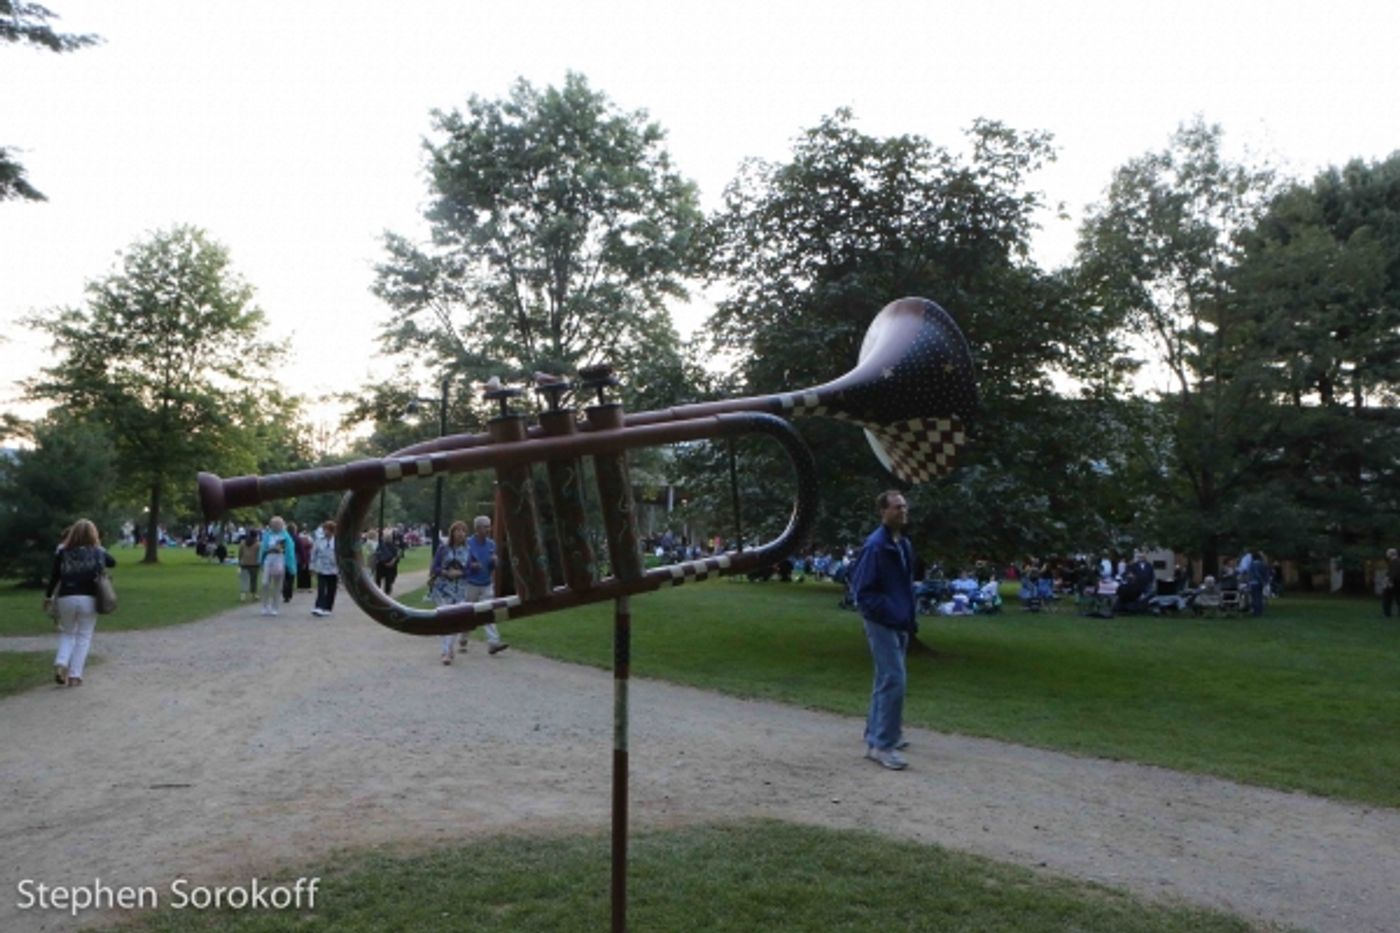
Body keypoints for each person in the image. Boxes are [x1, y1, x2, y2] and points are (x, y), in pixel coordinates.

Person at [849, 490, 917, 771]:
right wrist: (889, 613)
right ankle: (882, 746)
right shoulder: (876, 546)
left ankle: (878, 734)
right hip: (882, 621)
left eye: (904, 507)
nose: (902, 511)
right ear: (883, 512)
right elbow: (862, 592)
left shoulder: (902, 544)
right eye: (896, 507)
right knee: (894, 679)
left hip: (898, 620)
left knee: (885, 679)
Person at [43, 519, 117, 687]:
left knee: (68, 633)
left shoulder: (62, 552)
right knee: (84, 636)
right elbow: (113, 562)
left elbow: (55, 577)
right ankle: (75, 675)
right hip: (89, 598)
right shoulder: (98, 551)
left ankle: (61, 663)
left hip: (66, 597)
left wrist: (48, 597)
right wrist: (99, 547)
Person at [457, 515, 509, 656]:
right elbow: (459, 563)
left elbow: (492, 566)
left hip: (486, 583)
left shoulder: (491, 544)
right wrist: (471, 565)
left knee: (488, 612)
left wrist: (494, 561)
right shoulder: (467, 543)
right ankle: (463, 638)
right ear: (478, 528)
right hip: (470, 584)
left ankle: (493, 643)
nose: (489, 529)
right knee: (467, 613)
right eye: (486, 526)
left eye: (489, 526)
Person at [258, 517, 296, 616]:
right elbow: (263, 548)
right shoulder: (267, 535)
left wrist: (290, 565)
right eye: (273, 525)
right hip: (269, 560)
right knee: (265, 583)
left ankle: (275, 607)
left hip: (280, 560)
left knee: (277, 585)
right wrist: (268, 552)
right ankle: (265, 606)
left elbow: (290, 551)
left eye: (278, 525)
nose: (275, 527)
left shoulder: (285, 536)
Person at [310, 520, 339, 617]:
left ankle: (328, 607)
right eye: (324, 529)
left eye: (328, 530)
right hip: (321, 567)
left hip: (333, 569)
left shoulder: (337, 541)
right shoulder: (319, 540)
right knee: (321, 588)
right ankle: (319, 606)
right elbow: (313, 554)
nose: (326, 532)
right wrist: (312, 566)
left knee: (331, 589)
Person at [373, 528, 402, 596]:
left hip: (381, 565)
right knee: (388, 580)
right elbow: (397, 556)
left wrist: (382, 562)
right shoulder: (394, 547)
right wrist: (392, 562)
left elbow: (377, 555)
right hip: (390, 567)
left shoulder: (380, 546)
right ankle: (386, 593)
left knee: (379, 579)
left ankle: (378, 592)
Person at [237, 529, 261, 602]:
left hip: (244, 563)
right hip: (254, 564)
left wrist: (240, 560)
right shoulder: (258, 544)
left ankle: (243, 596)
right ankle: (254, 594)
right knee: (253, 580)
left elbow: (240, 553)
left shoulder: (243, 543)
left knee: (244, 580)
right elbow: (259, 555)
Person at [1383, 548, 1400, 618]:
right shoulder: (1395, 561)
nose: (1386, 554)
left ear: (1391, 554)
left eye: (1387, 553)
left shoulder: (1395, 561)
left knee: (1387, 598)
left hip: (1393, 583)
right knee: (1397, 598)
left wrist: (1389, 581)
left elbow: (1394, 573)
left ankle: (1387, 614)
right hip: (1395, 582)